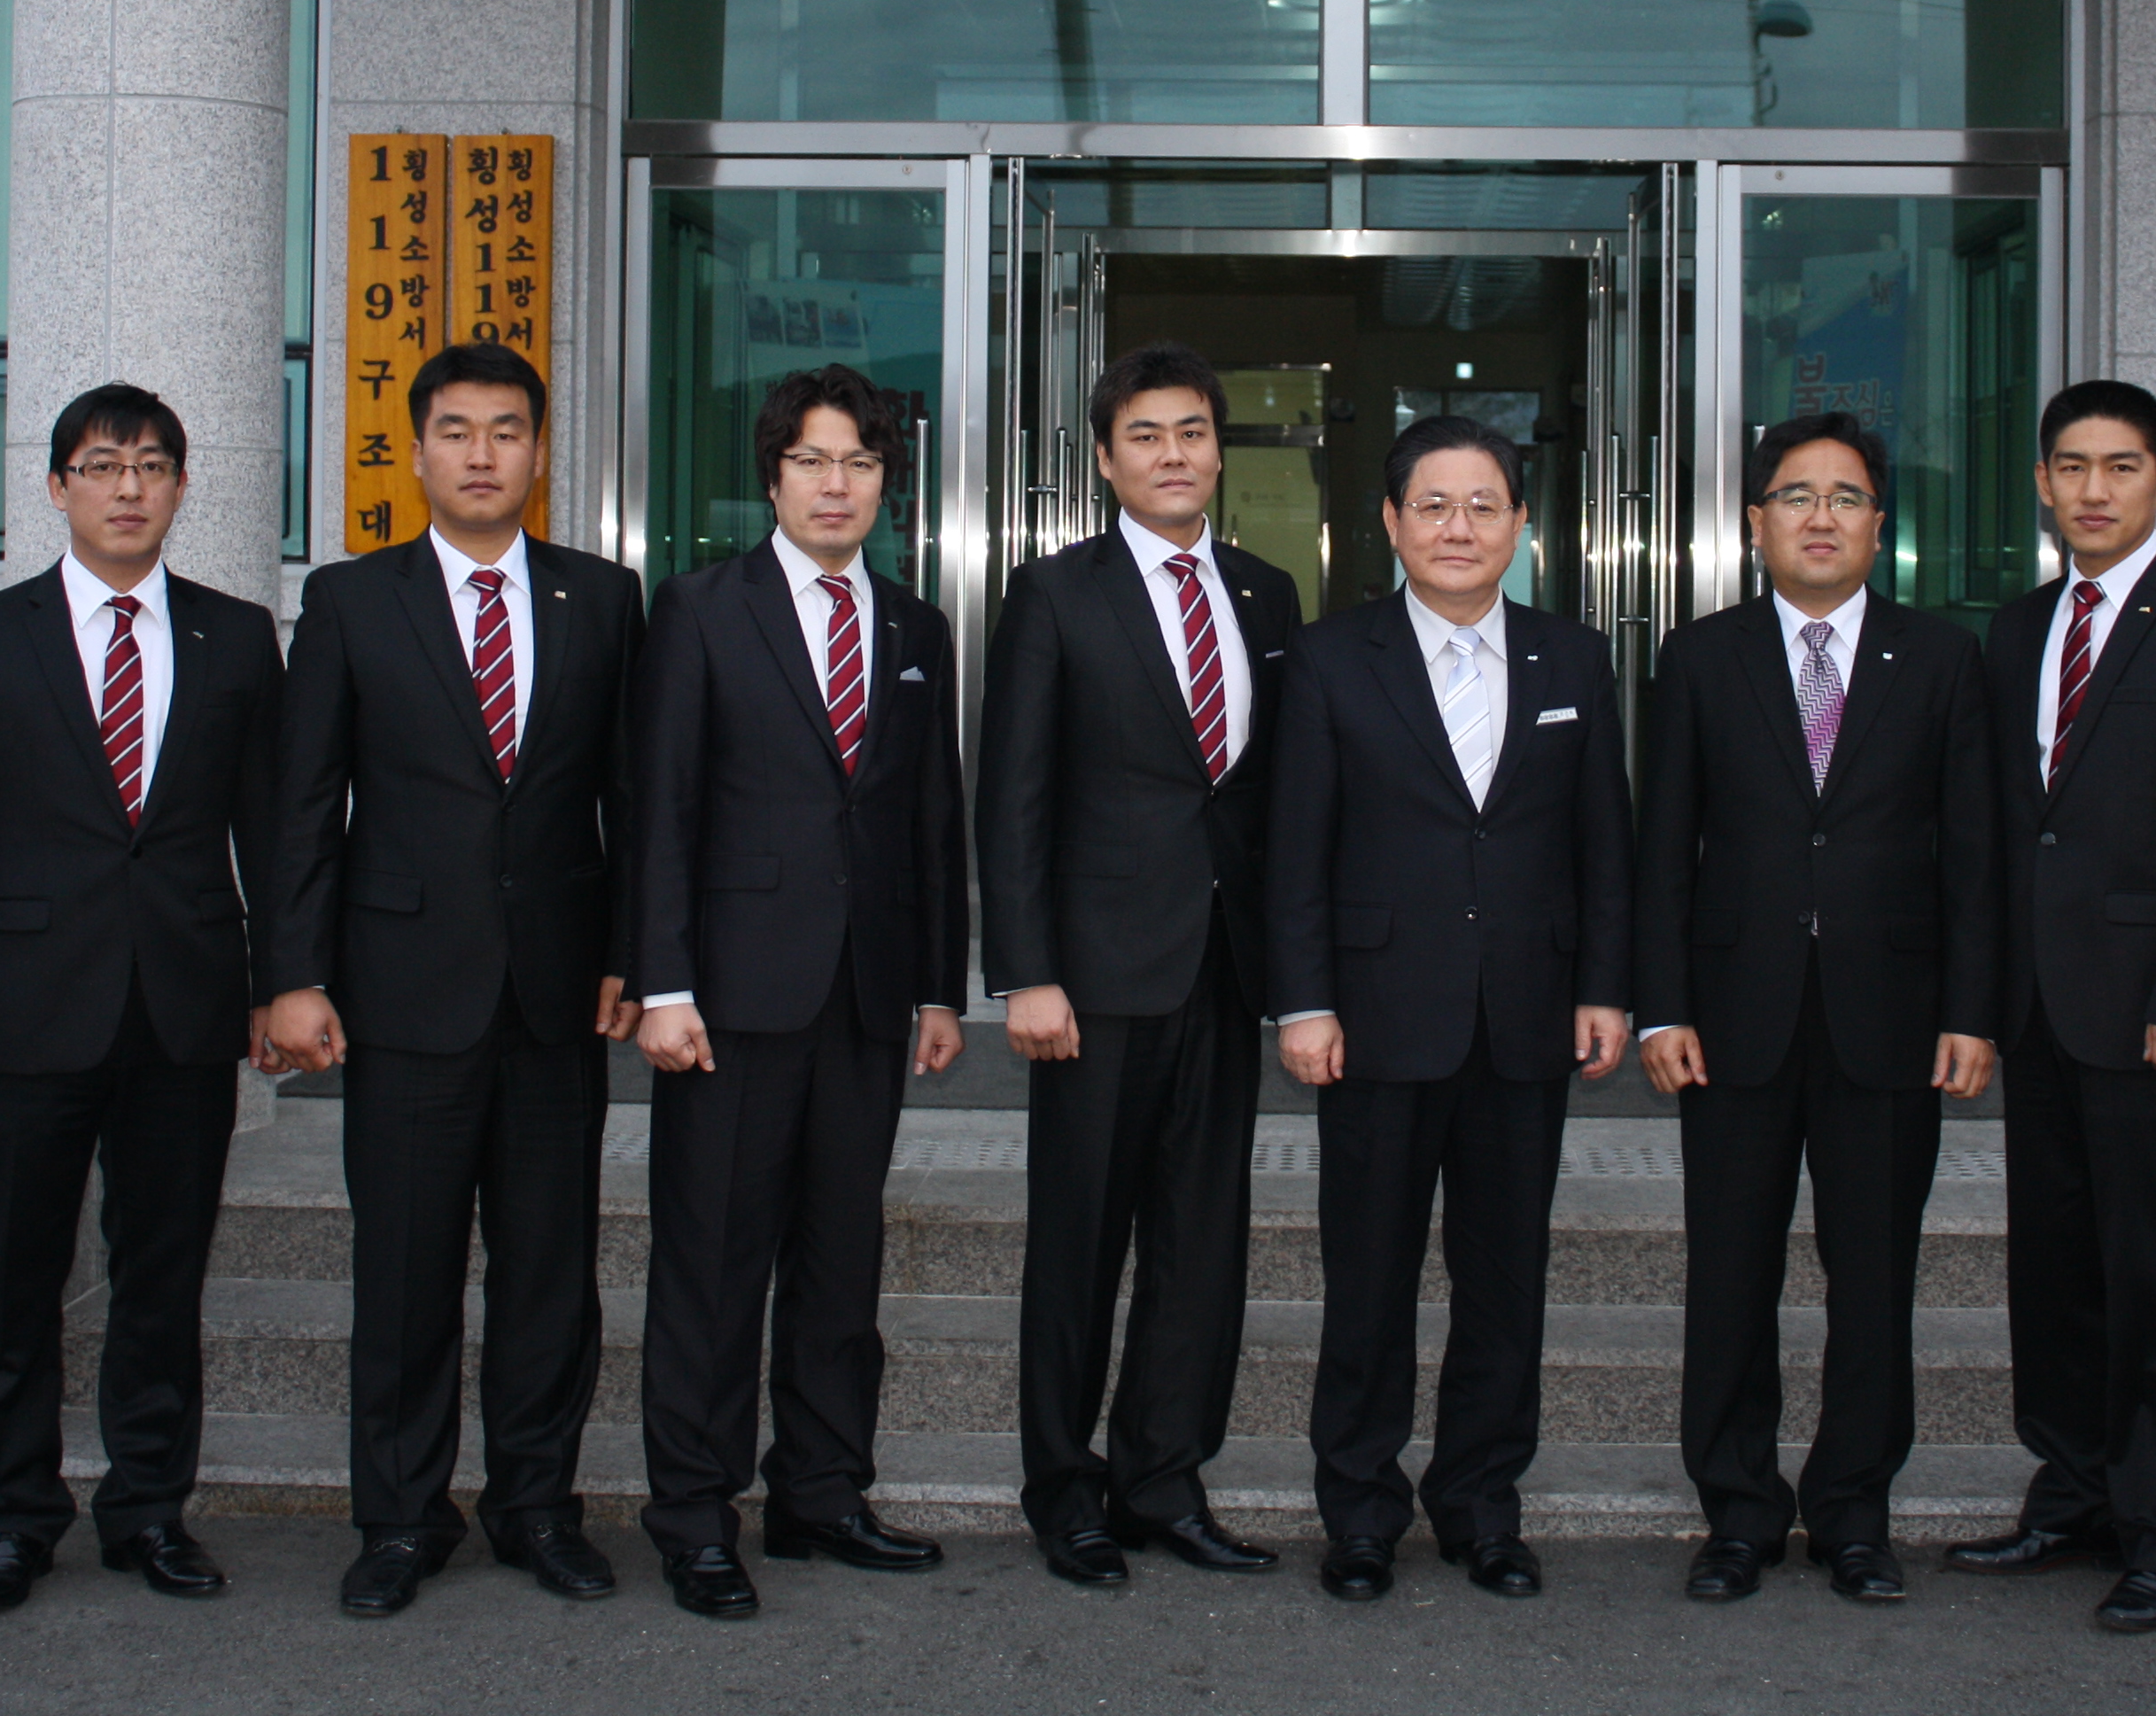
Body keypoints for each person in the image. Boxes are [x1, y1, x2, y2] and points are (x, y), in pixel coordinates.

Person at [263, 341, 648, 1619]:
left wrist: (633, 955)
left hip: (555, 997)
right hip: (402, 993)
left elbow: (634, 799)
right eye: (457, 432)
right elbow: (305, 804)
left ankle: (537, 1508)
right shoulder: (351, 602)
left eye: (506, 431)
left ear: (540, 451)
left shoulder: (604, 599)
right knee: (406, 1273)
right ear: (417, 451)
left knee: (549, 1274)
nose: (482, 455)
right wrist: (294, 974)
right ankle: (399, 1518)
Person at [0, 384, 281, 1618]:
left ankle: (149, 1511)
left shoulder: (236, 637)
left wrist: (282, 984)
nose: (129, 487)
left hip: (184, 1006)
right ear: (58, 485)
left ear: (181, 487)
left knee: (162, 1278)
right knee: (16, 1279)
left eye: (153, 465)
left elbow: (272, 832)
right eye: (104, 465)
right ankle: (14, 1521)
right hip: (23, 1007)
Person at [1635, 410, 2004, 1608]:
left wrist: (1971, 1011)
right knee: (1728, 1277)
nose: (1822, 517)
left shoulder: (1941, 659)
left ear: (1879, 525)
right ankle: (1738, 1514)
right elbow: (1661, 849)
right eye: (1797, 496)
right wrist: (1660, 1009)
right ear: (1757, 522)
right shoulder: (1701, 657)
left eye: (1846, 497)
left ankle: (1854, 1513)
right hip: (1732, 1018)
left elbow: (1974, 854)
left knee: (1875, 1279)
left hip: (1888, 1018)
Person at [1268, 415, 1634, 1605]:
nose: (1458, 528)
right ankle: (1361, 1512)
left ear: (1521, 524)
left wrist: (1606, 986)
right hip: (1376, 1019)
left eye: (1484, 505)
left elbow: (1605, 841)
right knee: (1367, 1280)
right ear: (1391, 522)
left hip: (1527, 1016)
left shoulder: (1574, 658)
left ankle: (1483, 1507)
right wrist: (1304, 1002)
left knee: (1505, 1283)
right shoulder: (1331, 658)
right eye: (1433, 505)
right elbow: (1296, 848)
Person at [628, 364, 969, 1621]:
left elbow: (932, 819)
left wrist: (939, 987)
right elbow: (661, 806)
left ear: (887, 484)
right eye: (813, 461)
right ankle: (693, 1516)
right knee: (713, 1266)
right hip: (730, 997)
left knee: (840, 1261)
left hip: (866, 997)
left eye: (861, 464)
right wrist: (663, 983)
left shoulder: (916, 627)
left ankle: (822, 1493)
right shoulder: (701, 609)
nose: (838, 485)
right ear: (772, 477)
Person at [1947, 379, 2156, 1634]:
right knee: (2056, 1267)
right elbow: (2002, 832)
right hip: (2042, 1009)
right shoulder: (2018, 627)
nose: (2095, 490)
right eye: (2074, 468)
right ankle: (2075, 1492)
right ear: (2042, 483)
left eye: (2123, 467)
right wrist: (1981, 1003)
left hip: (2153, 1014)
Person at [981, 343, 1303, 1588]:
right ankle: (1065, 1493)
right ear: (1107, 461)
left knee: (1201, 1245)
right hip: (1095, 981)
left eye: (1192, 432)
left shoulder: (1268, 593)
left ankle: (1165, 1481)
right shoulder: (1054, 592)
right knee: (1078, 1245)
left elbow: (1270, 795)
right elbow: (1014, 793)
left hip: (1224, 970)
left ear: (1220, 448)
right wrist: (1027, 971)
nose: (1174, 454)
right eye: (1146, 436)